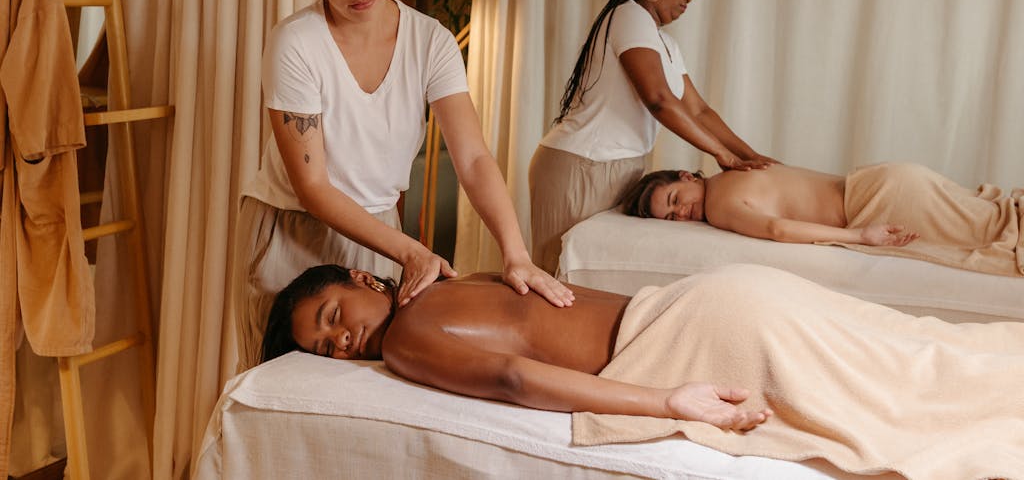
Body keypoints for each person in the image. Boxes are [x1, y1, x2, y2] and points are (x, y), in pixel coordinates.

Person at [233, 0, 573, 372]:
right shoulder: (296, 44)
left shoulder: (430, 42)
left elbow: (473, 158)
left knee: (376, 389)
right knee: (282, 394)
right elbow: (313, 187)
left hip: (378, 236)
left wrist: (515, 252)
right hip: (292, 230)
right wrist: (413, 251)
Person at [260, 263, 1023, 478]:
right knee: (922, 363)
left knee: (911, 408)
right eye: (323, 349)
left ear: (365, 281)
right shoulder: (456, 280)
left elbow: (515, 380)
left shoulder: (408, 333)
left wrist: (667, 398)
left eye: (332, 319)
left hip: (690, 337)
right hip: (712, 297)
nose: (342, 345)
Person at [529, 0, 775, 275]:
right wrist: (721, 155)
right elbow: (658, 99)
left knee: (591, 279)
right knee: (558, 278)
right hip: (581, 166)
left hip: (622, 169)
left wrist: (751, 156)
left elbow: (699, 111)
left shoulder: (667, 44)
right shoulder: (629, 15)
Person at [620, 162, 1024, 276]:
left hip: (878, 203)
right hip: (886, 180)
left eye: (676, 199)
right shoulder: (739, 168)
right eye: (671, 217)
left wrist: (858, 236)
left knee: (998, 231)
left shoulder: (720, 204)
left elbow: (778, 229)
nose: (682, 212)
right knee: (998, 218)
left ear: (687, 176)